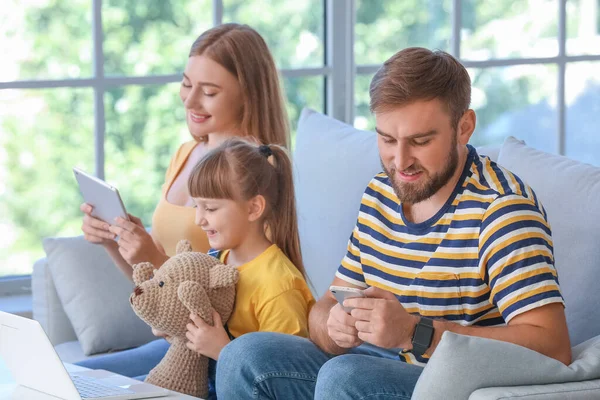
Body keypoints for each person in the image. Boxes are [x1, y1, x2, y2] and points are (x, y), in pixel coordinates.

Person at [215, 47, 572, 399]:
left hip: (451, 386)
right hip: (367, 369)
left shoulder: (501, 212)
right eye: (387, 139)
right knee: (244, 356)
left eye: (420, 141)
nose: (400, 161)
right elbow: (324, 308)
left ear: (464, 127)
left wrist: (417, 334)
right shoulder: (380, 194)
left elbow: (553, 348)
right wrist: (334, 325)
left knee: (346, 377)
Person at [76, 23, 290, 378]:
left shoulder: (260, 171)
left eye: (208, 91)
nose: (190, 101)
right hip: (175, 337)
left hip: (213, 345)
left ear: (247, 94)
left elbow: (242, 288)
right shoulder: (186, 154)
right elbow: (155, 279)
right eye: (187, 84)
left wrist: (150, 255)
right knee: (72, 374)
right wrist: (116, 241)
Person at [185, 138, 315, 397]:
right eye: (196, 206)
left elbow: (280, 377)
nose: (199, 219)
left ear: (254, 208)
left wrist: (222, 351)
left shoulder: (279, 284)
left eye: (210, 208)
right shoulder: (216, 258)